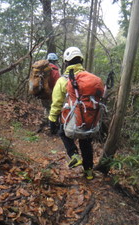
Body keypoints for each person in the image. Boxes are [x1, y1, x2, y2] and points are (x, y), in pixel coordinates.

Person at [48, 47, 94, 180]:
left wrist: (52, 120)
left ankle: (74, 155)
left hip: (72, 119)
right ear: (81, 61)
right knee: (86, 143)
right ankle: (89, 172)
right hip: (89, 120)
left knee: (63, 132)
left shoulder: (63, 80)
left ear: (66, 62)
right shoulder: (89, 79)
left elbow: (56, 103)